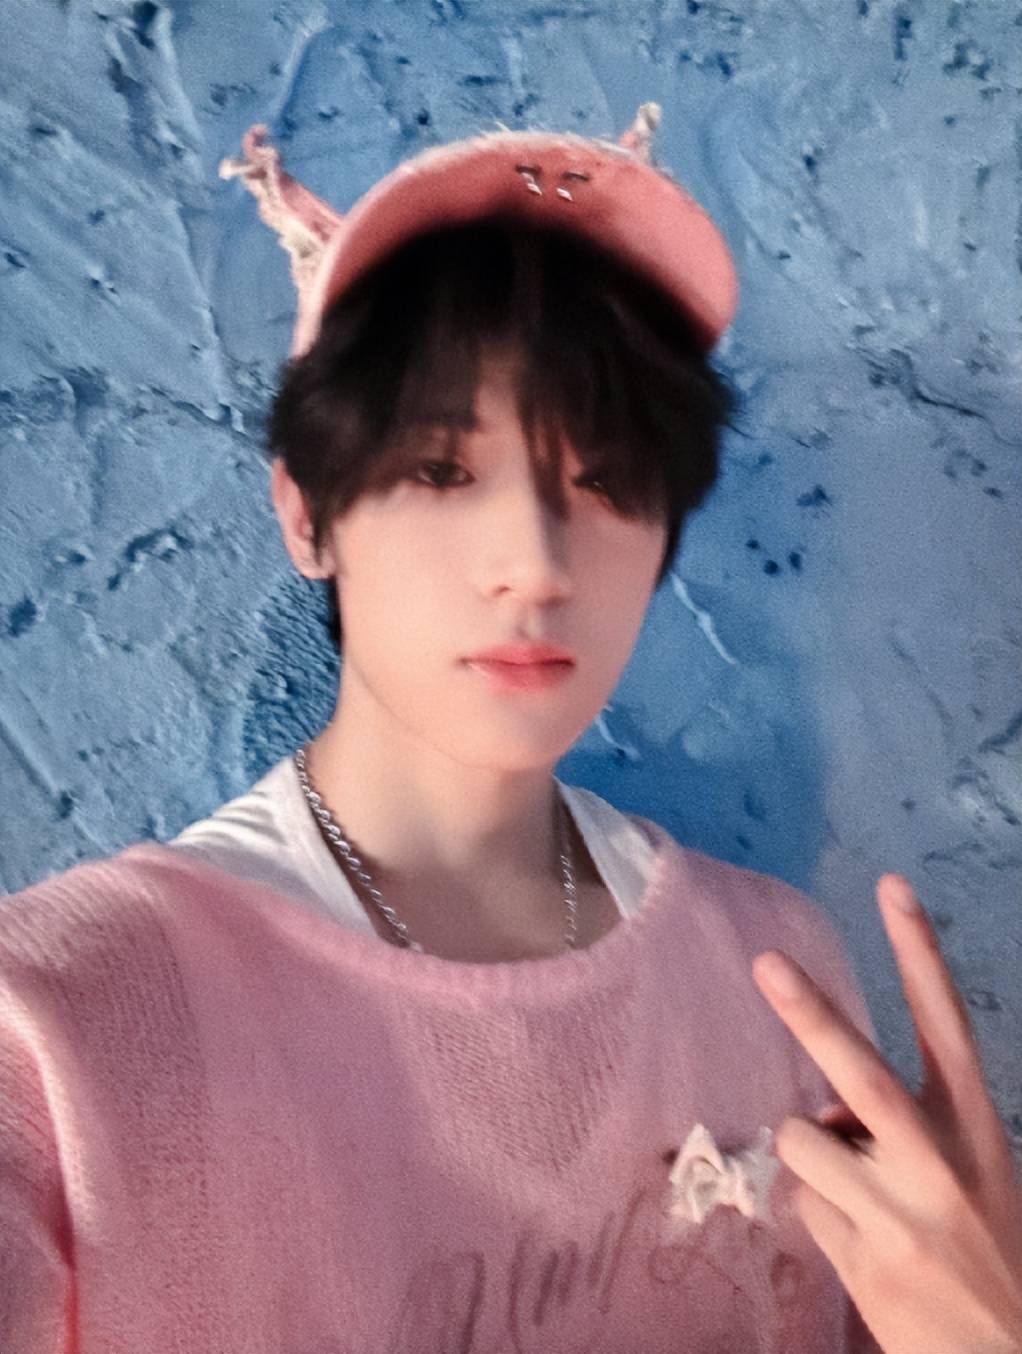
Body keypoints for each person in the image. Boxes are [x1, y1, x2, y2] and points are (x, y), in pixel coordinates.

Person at [0, 105, 1019, 1354]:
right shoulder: (59, 1025)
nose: (533, 562)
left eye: (604, 480)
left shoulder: (771, 965)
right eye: (441, 470)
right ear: (308, 513)